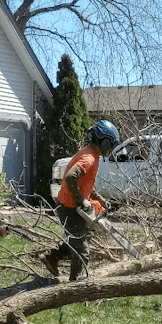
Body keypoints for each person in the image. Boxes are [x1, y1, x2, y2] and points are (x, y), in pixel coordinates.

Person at [41, 120, 120, 281]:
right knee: (81, 246)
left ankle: (52, 257)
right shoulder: (89, 158)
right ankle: (77, 282)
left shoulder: (91, 154)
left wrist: (98, 198)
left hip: (67, 204)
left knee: (79, 237)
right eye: (109, 144)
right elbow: (71, 176)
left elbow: (85, 183)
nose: (110, 148)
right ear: (105, 141)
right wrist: (81, 200)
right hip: (69, 207)